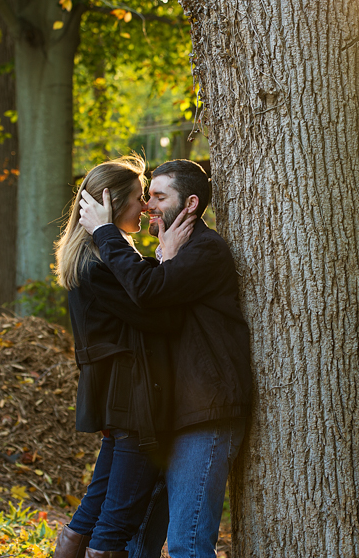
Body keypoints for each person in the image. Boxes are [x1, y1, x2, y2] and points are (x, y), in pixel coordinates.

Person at [77, 159, 252, 558]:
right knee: (139, 545)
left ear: (189, 204)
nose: (148, 205)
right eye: (146, 196)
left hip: (205, 414)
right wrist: (161, 258)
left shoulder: (207, 250)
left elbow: (151, 294)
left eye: (158, 196)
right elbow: (151, 299)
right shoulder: (170, 254)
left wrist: (106, 232)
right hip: (164, 415)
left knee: (188, 543)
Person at [52, 155, 195, 558]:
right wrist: (170, 257)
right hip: (133, 400)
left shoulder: (96, 260)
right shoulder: (100, 267)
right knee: (117, 518)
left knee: (92, 510)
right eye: (137, 197)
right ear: (110, 204)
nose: (146, 206)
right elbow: (161, 315)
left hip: (123, 398)